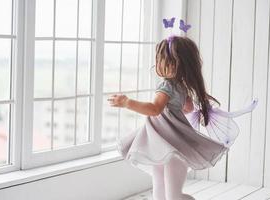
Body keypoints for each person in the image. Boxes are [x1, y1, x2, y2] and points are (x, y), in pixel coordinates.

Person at [107, 35, 257, 200]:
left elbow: (155, 109)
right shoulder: (181, 86)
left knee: (169, 194)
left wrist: (128, 102)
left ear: (173, 65)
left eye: (160, 60)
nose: (157, 64)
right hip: (164, 143)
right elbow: (187, 108)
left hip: (168, 144)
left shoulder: (166, 86)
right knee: (162, 191)